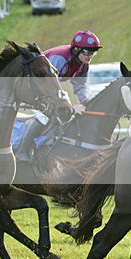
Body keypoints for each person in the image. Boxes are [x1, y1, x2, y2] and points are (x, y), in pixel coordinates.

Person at [14, 30, 101, 163]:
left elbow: (80, 85)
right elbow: (49, 86)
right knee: (44, 116)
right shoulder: (60, 59)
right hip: (33, 86)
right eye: (87, 52)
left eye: (93, 53)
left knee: (65, 112)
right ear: (77, 50)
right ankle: (22, 151)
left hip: (48, 89)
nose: (90, 56)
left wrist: (87, 103)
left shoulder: (83, 65)